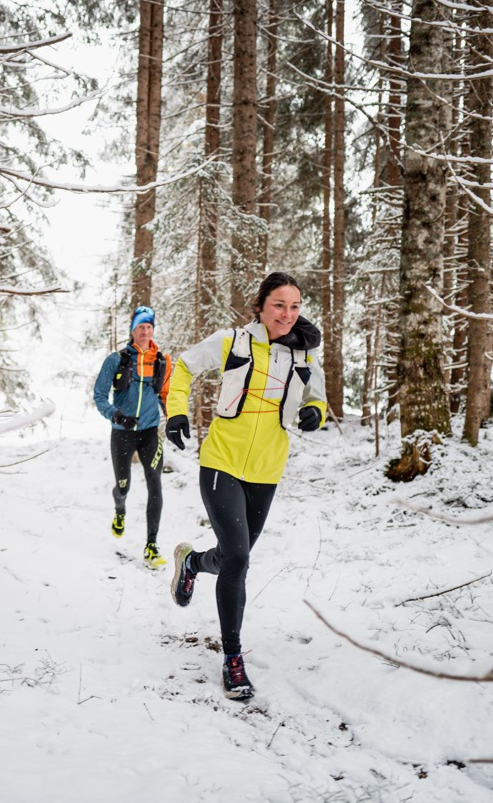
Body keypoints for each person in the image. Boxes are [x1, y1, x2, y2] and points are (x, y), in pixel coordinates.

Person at [163, 272, 327, 700]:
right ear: (260, 305)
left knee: (233, 557)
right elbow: (182, 367)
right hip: (221, 460)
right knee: (238, 556)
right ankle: (232, 658)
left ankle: (192, 563)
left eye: (294, 306)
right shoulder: (232, 341)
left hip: (267, 469)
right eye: (278, 305)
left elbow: (319, 397)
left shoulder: (304, 353)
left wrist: (316, 412)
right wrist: (176, 412)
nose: (287, 315)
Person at [93, 305, 173, 568]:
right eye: (141, 327)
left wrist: (174, 420)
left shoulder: (162, 361)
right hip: (122, 433)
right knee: (124, 485)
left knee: (155, 482)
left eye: (149, 327)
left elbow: (166, 396)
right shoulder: (116, 360)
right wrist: (116, 415)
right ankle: (120, 509)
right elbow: (99, 396)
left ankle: (151, 545)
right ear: (133, 330)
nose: (145, 331)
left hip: (150, 432)